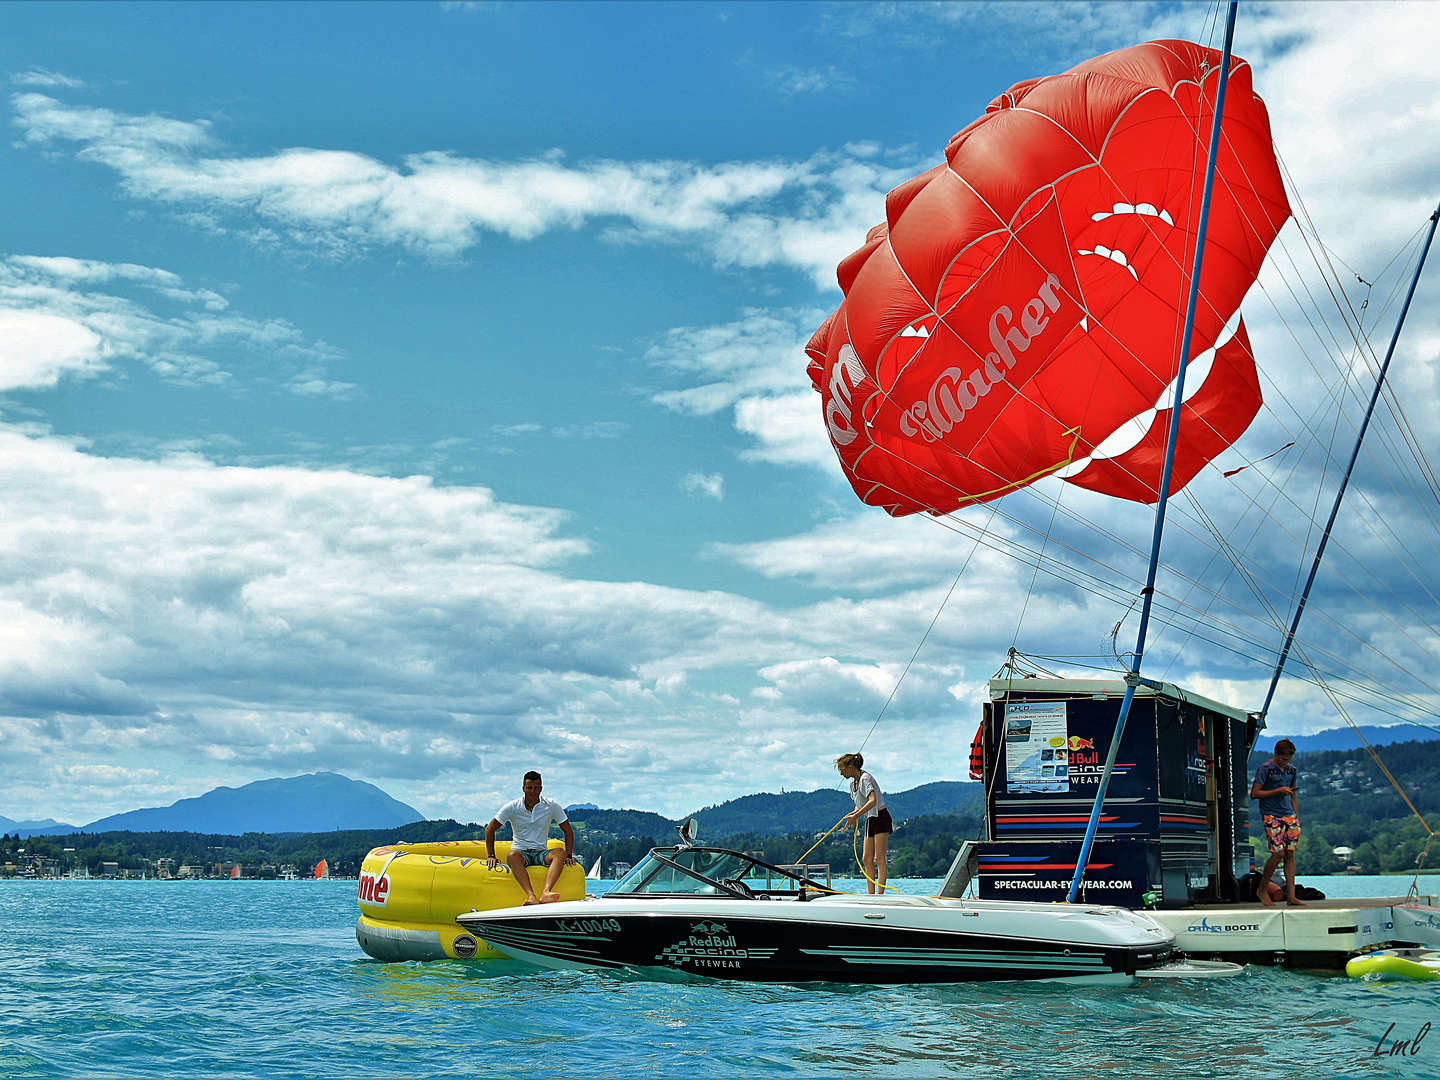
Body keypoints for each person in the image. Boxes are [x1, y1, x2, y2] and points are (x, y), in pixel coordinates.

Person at [485, 771, 576, 905]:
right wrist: (491, 855)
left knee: (559, 853)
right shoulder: (512, 807)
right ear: (523, 788)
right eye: (529, 788)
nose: (532, 791)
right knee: (512, 855)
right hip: (521, 853)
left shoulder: (551, 805)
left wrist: (568, 855)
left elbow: (568, 831)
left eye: (536, 788)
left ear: (541, 788)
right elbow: (490, 829)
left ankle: (546, 892)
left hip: (541, 852)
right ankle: (531, 896)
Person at [1250, 739, 1306, 907]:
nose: (1285, 762)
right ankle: (1262, 889)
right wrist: (1277, 791)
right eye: (1283, 759)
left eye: (1288, 759)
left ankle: (1291, 895)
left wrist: (1296, 815)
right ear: (1276, 754)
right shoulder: (1266, 769)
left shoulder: (1292, 770)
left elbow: (1293, 794)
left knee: (1290, 853)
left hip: (1288, 815)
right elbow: (1255, 793)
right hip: (1271, 814)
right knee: (1278, 853)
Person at [836, 752, 892, 894]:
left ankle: (880, 894)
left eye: (842, 769)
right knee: (866, 859)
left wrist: (856, 816)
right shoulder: (852, 784)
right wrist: (852, 814)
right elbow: (859, 805)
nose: (841, 773)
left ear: (850, 767)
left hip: (880, 817)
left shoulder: (865, 778)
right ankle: (870, 893)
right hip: (870, 819)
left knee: (879, 858)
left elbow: (872, 801)